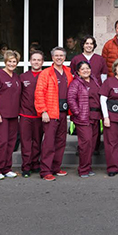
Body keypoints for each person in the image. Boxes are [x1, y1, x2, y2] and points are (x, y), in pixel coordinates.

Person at [35, 47, 74, 181]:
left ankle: (56, 167)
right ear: (52, 58)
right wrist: (43, 111)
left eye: (61, 56)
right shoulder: (46, 73)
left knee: (61, 142)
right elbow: (39, 93)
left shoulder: (68, 72)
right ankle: (45, 170)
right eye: (56, 56)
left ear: (64, 58)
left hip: (63, 113)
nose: (59, 58)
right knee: (49, 143)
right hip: (51, 113)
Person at [0, 50, 22, 180]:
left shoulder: (16, 77)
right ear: (5, 62)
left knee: (11, 143)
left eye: (14, 62)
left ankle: (6, 168)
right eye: (10, 61)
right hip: (1, 115)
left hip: (14, 115)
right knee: (1, 143)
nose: (12, 64)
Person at [67, 61, 100, 178]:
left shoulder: (94, 80)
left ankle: (88, 166)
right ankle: (83, 169)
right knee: (85, 143)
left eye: (87, 68)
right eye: (83, 69)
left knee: (91, 144)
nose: (86, 70)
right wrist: (78, 113)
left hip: (95, 117)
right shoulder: (76, 83)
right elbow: (71, 99)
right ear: (78, 72)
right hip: (83, 118)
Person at [19, 50, 44, 178]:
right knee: (26, 141)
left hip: (40, 116)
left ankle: (35, 164)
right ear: (30, 61)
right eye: (34, 59)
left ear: (42, 62)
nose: (36, 62)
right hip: (25, 115)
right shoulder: (23, 77)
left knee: (37, 141)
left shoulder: (45, 76)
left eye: (39, 60)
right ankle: (26, 166)